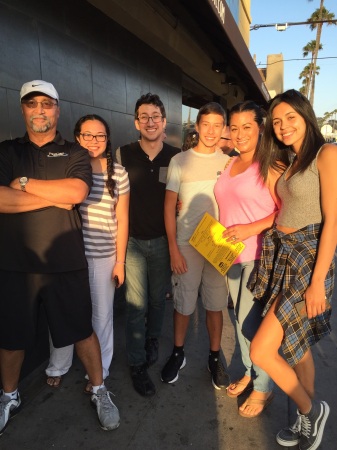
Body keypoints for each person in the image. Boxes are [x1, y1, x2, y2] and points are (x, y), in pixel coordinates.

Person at [0, 81, 120, 434]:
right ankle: (9, 395)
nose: (40, 110)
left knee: (83, 332)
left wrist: (21, 183)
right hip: (15, 263)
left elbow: (76, 193)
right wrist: (55, 197)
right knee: (10, 337)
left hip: (66, 263)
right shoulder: (6, 151)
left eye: (47, 104)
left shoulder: (74, 153)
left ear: (58, 109)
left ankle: (100, 390)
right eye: (32, 103)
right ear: (23, 109)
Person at [249, 89, 337, 449]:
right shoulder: (291, 160)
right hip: (285, 258)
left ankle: (311, 409)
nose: (283, 126)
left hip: (307, 261)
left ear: (306, 117)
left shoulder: (326, 154)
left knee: (261, 351)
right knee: (297, 347)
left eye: (291, 118)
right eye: (277, 120)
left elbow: (333, 221)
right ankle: (306, 421)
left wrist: (318, 283)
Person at [46, 114, 130, 393]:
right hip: (68, 253)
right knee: (63, 312)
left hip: (103, 256)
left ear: (108, 140)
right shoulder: (65, 168)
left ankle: (100, 369)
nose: (94, 141)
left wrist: (120, 261)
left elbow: (123, 220)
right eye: (87, 135)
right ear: (77, 137)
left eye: (100, 136)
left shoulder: (118, 173)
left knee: (101, 315)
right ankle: (59, 364)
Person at [214, 101, 284, 418]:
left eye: (247, 127)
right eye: (235, 127)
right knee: (241, 322)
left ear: (261, 128)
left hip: (259, 255)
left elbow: (288, 210)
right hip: (229, 254)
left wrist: (250, 228)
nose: (240, 134)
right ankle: (249, 371)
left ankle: (264, 387)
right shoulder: (231, 163)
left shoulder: (270, 164)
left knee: (249, 323)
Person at [161, 102, 230, 390]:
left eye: (218, 125)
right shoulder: (180, 161)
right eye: (207, 124)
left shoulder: (229, 163)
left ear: (224, 128)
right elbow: (168, 208)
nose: (212, 131)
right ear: (197, 127)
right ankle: (178, 353)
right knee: (183, 304)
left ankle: (215, 357)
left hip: (217, 243)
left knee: (215, 305)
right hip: (186, 244)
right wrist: (173, 249)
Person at [115, 93, 180, 396]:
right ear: (136, 122)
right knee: (135, 306)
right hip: (133, 243)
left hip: (164, 241)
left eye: (155, 116)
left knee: (157, 300)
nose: (150, 121)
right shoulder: (122, 154)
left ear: (164, 121)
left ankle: (153, 338)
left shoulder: (176, 157)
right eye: (144, 116)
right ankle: (137, 364)